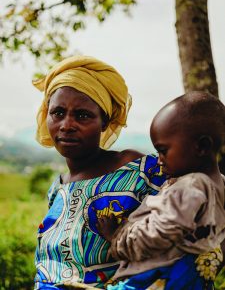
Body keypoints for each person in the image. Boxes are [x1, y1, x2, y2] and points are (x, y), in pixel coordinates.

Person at [32, 55, 166, 290]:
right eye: (58, 113)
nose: (67, 124)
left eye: (83, 115)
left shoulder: (136, 169)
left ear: (104, 122)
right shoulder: (57, 188)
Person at [97, 91, 225, 290]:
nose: (159, 160)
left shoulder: (191, 186)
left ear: (201, 147)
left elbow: (163, 232)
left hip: (156, 279)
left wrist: (117, 238)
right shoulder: (219, 186)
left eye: (163, 151)